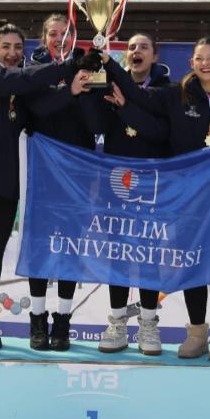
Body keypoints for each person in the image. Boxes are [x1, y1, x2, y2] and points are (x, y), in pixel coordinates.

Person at [110, 37, 210, 362]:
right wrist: (112, 70)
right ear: (191, 63)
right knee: (193, 262)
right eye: (198, 58)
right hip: (189, 198)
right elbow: (140, 97)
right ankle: (196, 333)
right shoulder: (176, 95)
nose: (205, 63)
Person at [0, 19, 89, 352]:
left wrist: (70, 90)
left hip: (5, 181)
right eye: (6, 47)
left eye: (17, 48)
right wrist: (65, 66)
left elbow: (40, 105)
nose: (12, 54)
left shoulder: (19, 89)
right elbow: (22, 77)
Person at [84, 33, 171, 355]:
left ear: (154, 55)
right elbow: (96, 125)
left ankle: (148, 324)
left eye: (143, 47)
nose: (136, 51)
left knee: (148, 255)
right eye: (131, 47)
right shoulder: (109, 83)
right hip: (117, 179)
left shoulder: (167, 90)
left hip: (151, 184)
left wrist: (126, 108)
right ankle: (118, 322)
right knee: (118, 253)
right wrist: (92, 88)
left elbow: (160, 132)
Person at [22, 14, 96, 351]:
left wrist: (87, 86)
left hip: (80, 170)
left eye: (65, 34)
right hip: (44, 168)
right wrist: (72, 91)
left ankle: (63, 321)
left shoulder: (88, 63)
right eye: (52, 33)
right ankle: (37, 320)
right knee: (40, 243)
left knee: (71, 245)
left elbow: (97, 119)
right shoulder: (34, 64)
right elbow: (38, 110)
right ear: (43, 38)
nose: (58, 39)